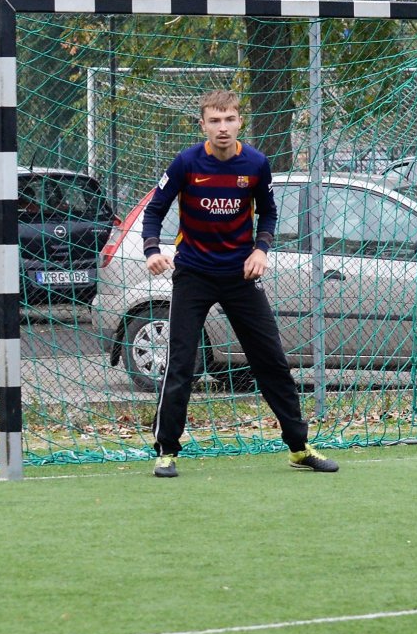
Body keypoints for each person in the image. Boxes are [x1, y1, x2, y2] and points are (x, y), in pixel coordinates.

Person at [141, 89, 339, 479]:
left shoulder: (256, 164)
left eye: (229, 119)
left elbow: (268, 214)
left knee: (272, 361)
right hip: (193, 275)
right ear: (203, 126)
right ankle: (166, 451)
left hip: (240, 277)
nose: (222, 127)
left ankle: (299, 448)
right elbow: (154, 211)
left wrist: (261, 250)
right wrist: (152, 250)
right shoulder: (185, 163)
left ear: (239, 122)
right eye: (214, 121)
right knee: (181, 363)